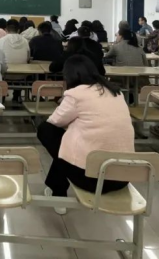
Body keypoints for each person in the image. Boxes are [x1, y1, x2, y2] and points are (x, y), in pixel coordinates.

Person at [37, 55, 133, 213]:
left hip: (92, 179)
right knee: (69, 142)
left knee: (46, 130)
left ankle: (59, 192)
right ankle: (56, 188)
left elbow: (54, 121)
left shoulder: (76, 94)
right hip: (123, 175)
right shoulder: (115, 91)